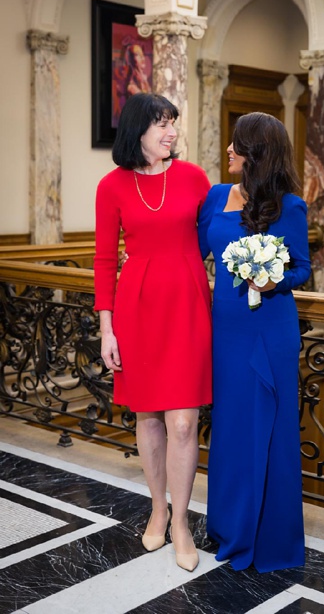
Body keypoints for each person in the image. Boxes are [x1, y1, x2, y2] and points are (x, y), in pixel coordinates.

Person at [94, 92, 212, 572]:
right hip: (136, 308)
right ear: (137, 131)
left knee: (183, 421)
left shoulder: (195, 178)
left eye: (173, 123)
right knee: (147, 418)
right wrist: (107, 329)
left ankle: (181, 521)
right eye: (162, 123)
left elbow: (220, 233)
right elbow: (104, 261)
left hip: (187, 303)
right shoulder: (112, 186)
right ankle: (157, 508)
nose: (171, 132)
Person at [200, 112, 311, 572]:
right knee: (229, 429)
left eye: (237, 144)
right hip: (225, 330)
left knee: (270, 429)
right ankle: (228, 528)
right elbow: (194, 253)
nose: (228, 150)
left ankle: (270, 537)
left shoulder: (290, 206)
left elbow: (302, 268)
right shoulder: (215, 197)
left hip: (270, 329)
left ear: (256, 154)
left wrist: (273, 279)